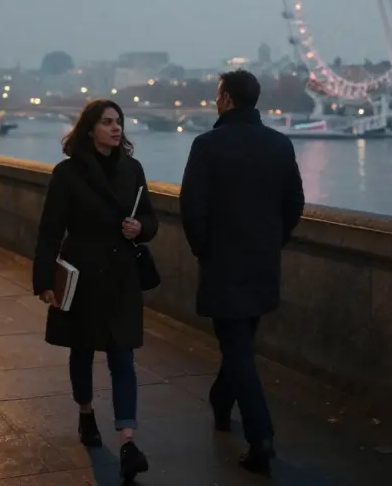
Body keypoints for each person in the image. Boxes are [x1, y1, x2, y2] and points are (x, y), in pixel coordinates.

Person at [179, 70, 304, 474]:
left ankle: (261, 437)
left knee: (237, 348)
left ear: (228, 99)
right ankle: (220, 399)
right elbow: (295, 203)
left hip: (224, 264)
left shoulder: (207, 146)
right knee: (240, 341)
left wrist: (204, 251)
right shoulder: (280, 144)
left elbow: (192, 208)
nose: (216, 100)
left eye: (218, 94)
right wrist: (274, 242)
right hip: (262, 263)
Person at [32, 99, 158, 480]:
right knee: (82, 349)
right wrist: (43, 282)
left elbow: (149, 216)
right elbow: (51, 229)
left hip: (121, 276)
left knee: (123, 356)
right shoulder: (68, 174)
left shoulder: (132, 169)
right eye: (107, 122)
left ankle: (127, 440)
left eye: (118, 122)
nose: (116, 128)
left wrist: (142, 229)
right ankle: (86, 413)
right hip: (83, 275)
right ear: (90, 130)